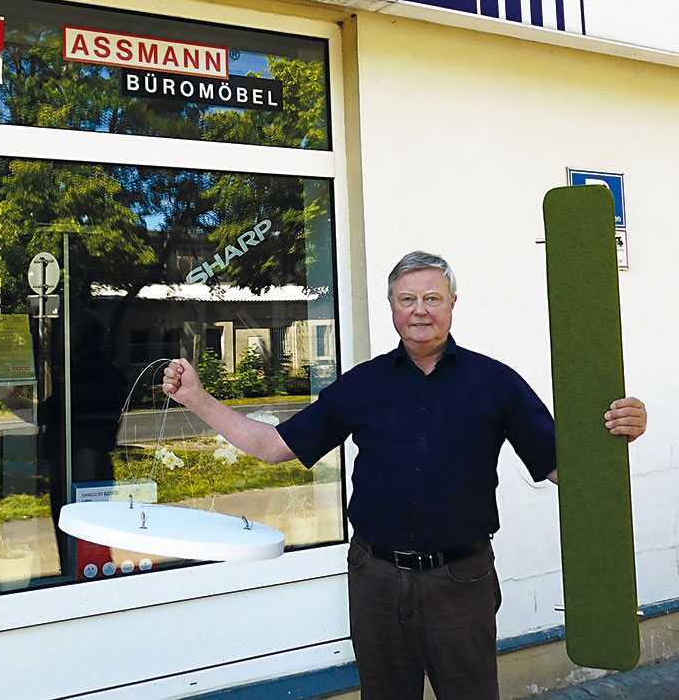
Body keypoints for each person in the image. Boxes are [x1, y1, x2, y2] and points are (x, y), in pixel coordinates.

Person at [162, 251, 647, 700]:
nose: (420, 310)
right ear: (391, 308)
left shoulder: (496, 383)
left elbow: (566, 470)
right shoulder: (362, 385)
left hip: (460, 581)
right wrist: (197, 399)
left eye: (432, 298)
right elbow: (273, 447)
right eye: (407, 299)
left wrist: (620, 433)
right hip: (375, 581)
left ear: (453, 304)